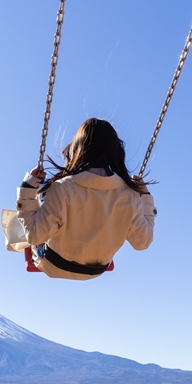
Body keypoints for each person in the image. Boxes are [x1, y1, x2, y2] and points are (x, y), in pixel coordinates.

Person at [13, 118, 156, 280]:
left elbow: (34, 236)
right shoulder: (130, 195)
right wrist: (145, 196)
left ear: (77, 147)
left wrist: (27, 188)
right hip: (96, 270)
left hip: (54, 264)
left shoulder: (62, 188)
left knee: (23, 213)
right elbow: (142, 242)